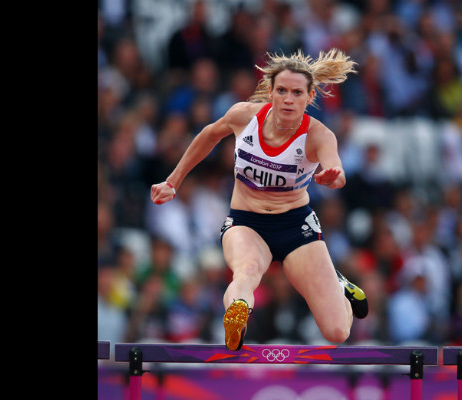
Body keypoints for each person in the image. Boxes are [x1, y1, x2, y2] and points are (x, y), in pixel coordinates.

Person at [149, 48, 368, 351]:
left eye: (296, 92)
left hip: (295, 228)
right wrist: (172, 181)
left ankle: (338, 285)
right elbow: (208, 136)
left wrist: (333, 176)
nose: (288, 99)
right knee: (246, 270)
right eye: (281, 91)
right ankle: (237, 311)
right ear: (271, 92)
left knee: (336, 331)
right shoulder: (244, 116)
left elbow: (337, 169)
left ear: (309, 95)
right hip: (246, 221)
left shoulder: (319, 136)